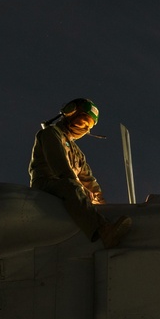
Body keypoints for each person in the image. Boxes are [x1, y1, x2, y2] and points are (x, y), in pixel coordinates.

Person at [29, 98, 132, 248]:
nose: (84, 128)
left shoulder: (78, 153)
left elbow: (88, 179)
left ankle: (101, 218)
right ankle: (104, 232)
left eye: (88, 125)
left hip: (68, 186)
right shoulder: (50, 134)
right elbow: (60, 167)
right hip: (46, 184)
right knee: (70, 186)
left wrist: (100, 201)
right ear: (70, 114)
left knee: (76, 189)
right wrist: (80, 189)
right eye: (82, 121)